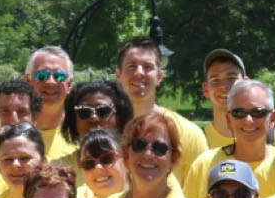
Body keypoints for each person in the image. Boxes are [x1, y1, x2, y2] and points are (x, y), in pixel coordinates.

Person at [115, 35, 209, 170]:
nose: (139, 72)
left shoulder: (189, 134)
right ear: (118, 75)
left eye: (148, 67)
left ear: (159, 76)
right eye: (131, 66)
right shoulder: (106, 129)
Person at [183, 80, 275, 198]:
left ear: (272, 118)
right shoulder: (204, 165)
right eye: (239, 113)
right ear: (229, 120)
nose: (248, 120)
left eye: (257, 112)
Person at [61, 79, 135, 155]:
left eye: (103, 111)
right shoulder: (61, 162)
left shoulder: (136, 161)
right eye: (84, 112)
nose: (94, 118)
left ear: (119, 118)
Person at [26, 45, 75, 152]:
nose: (51, 82)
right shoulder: (8, 131)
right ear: (27, 81)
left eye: (60, 76)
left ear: (69, 84)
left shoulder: (80, 133)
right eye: (42, 75)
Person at [197, 48, 249, 148]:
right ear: (206, 89)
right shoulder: (196, 143)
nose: (223, 86)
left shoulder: (272, 142)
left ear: (246, 84)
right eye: (215, 80)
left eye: (231, 78)